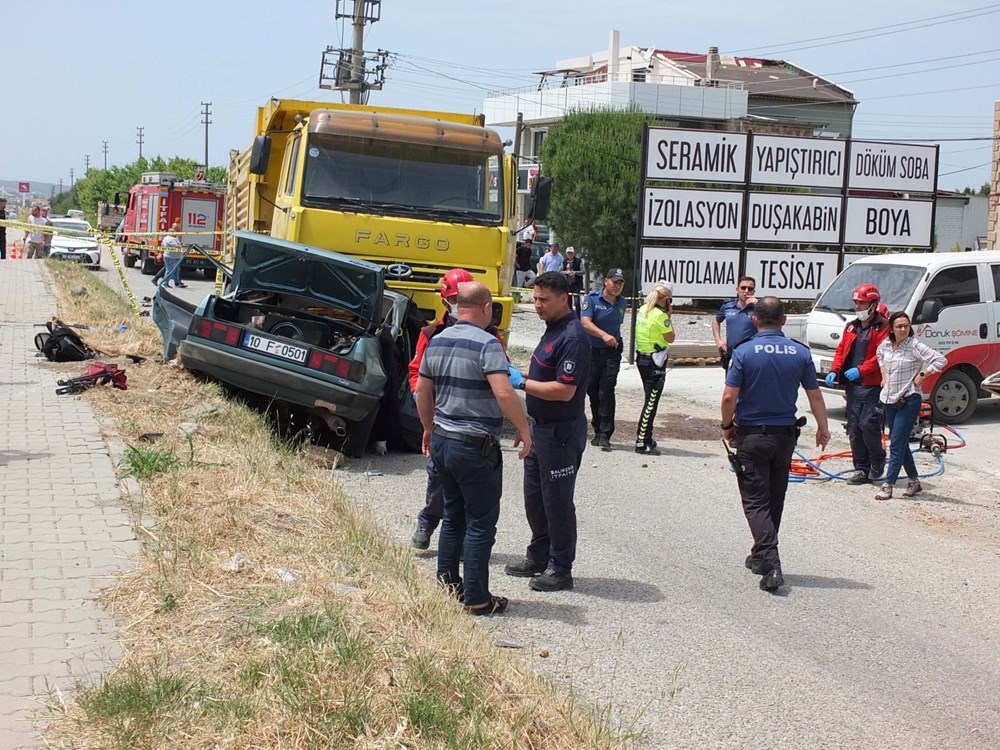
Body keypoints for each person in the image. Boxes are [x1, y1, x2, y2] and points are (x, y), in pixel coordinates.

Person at [415, 281, 532, 616]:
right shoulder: (488, 343)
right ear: (486, 308)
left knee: (453, 515)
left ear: (455, 307)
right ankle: (478, 598)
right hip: (475, 444)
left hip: (442, 437)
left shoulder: (436, 340)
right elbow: (505, 392)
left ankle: (448, 585)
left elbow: (423, 391)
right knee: (481, 521)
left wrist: (426, 428)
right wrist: (524, 428)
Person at [721, 296, 831, 592]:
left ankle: (771, 564)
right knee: (774, 497)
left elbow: (730, 397)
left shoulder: (744, 352)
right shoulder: (800, 352)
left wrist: (726, 426)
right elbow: (815, 395)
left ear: (754, 320)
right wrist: (823, 428)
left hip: (753, 435)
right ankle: (760, 555)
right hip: (785, 436)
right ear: (784, 320)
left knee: (755, 502)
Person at [505, 271, 591, 592]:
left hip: (561, 433)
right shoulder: (552, 330)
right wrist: (521, 375)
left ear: (563, 299)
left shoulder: (573, 336)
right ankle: (538, 555)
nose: (537, 305)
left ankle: (560, 567)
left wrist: (521, 382)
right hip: (540, 430)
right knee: (535, 498)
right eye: (535, 298)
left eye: (544, 299)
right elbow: (546, 372)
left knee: (557, 501)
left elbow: (563, 390)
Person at [409, 268, 504, 550]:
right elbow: (416, 374)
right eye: (452, 299)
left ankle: (463, 543)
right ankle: (427, 522)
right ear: (445, 301)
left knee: (470, 491)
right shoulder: (431, 333)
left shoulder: (490, 336)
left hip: (474, 423)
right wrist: (425, 403)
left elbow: (502, 375)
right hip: (442, 418)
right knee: (438, 478)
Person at [873, 312, 946, 501]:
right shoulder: (886, 345)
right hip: (890, 400)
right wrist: (883, 375)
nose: (903, 329)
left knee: (896, 443)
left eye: (906, 326)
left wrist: (923, 374)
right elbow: (879, 356)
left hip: (909, 399)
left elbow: (940, 359)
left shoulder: (914, 345)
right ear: (891, 328)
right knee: (901, 442)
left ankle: (888, 485)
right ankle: (914, 481)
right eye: (899, 326)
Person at [824, 283, 889, 485]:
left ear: (873, 304)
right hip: (853, 386)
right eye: (856, 303)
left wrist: (861, 370)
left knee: (868, 424)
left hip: (873, 385)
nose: (858, 307)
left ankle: (877, 460)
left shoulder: (883, 327)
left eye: (861, 303)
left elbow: (881, 355)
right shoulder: (851, 326)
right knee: (854, 428)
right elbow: (841, 350)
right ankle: (861, 468)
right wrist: (835, 370)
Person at [580, 267, 627, 451]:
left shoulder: (622, 302)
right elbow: (585, 323)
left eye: (620, 283)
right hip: (592, 352)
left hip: (611, 353)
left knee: (606, 391)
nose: (617, 286)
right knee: (592, 390)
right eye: (614, 282)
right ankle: (597, 428)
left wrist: (610, 339)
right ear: (606, 281)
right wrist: (603, 335)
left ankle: (605, 433)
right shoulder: (591, 300)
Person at [634, 280, 676, 455]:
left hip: (643, 358)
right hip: (655, 361)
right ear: (666, 299)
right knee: (651, 402)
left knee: (649, 399)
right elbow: (670, 337)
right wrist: (669, 317)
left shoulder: (643, 309)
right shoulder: (661, 316)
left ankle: (647, 437)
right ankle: (641, 441)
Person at [713, 276, 758, 370]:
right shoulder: (728, 306)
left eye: (750, 289)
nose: (746, 291)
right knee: (731, 384)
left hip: (752, 356)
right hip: (732, 355)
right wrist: (718, 340)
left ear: (753, 292)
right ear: (737, 290)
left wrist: (758, 304)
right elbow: (716, 320)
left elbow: (771, 320)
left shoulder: (759, 308)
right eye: (743, 288)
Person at [159, 221, 187, 288]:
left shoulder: (167, 238)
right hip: (171, 258)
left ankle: (177, 283)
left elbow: (162, 245)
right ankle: (165, 283)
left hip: (172, 257)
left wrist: (161, 253)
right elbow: (178, 247)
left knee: (175, 271)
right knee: (170, 270)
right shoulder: (171, 239)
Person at [563, 246, 584, 314]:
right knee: (568, 301)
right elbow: (560, 271)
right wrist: (566, 272)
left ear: (574, 253)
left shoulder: (579, 261)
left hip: (577, 284)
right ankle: (570, 316)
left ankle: (578, 316)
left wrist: (575, 272)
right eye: (568, 253)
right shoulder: (564, 261)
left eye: (571, 253)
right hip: (568, 284)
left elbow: (583, 271)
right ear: (566, 254)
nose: (570, 254)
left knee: (577, 301)